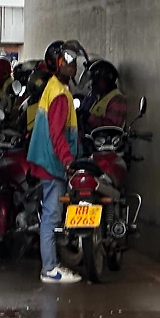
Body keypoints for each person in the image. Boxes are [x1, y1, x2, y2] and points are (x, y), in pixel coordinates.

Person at [26, 41, 83, 284]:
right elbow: (56, 134)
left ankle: (50, 265)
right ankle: (49, 269)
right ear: (55, 63)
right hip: (53, 162)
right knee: (51, 215)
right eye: (67, 60)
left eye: (74, 60)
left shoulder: (55, 87)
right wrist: (68, 159)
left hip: (48, 160)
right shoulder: (59, 94)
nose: (72, 65)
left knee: (50, 213)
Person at [83, 60, 128, 133]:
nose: (94, 83)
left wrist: (89, 117)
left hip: (105, 139)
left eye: (97, 80)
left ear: (108, 80)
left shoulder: (117, 99)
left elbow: (112, 127)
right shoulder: (98, 97)